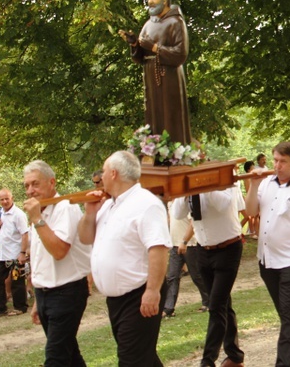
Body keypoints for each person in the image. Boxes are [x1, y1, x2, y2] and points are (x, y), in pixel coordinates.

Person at [78, 151, 171, 366]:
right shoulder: (108, 205)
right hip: (116, 300)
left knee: (131, 359)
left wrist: (152, 290)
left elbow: (158, 248)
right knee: (141, 357)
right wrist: (90, 213)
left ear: (113, 174)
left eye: (103, 171)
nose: (100, 177)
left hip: (139, 294)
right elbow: (85, 237)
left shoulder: (146, 204)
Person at [245, 142, 290, 367]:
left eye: (283, 161)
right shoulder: (266, 183)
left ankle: (283, 363)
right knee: (288, 314)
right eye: (275, 160)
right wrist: (253, 184)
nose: (277, 166)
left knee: (288, 315)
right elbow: (250, 211)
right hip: (267, 259)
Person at [22, 160, 92, 366]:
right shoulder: (40, 212)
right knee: (69, 356)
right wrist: (38, 298)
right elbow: (39, 257)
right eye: (26, 186)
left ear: (51, 183)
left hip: (67, 292)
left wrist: (36, 220)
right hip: (46, 293)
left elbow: (59, 251)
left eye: (35, 184)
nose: (30, 191)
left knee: (55, 358)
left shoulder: (65, 208)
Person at [171, 183, 246, 367]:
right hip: (203, 250)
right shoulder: (188, 189)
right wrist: (185, 189)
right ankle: (235, 355)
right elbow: (178, 213)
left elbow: (224, 205)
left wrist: (204, 185)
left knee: (216, 305)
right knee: (223, 304)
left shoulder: (225, 181)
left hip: (228, 248)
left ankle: (207, 361)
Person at [121, 0, 192, 145]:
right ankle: (155, 149)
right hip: (150, 76)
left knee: (169, 114)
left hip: (169, 77)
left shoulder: (175, 22)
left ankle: (175, 151)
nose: (150, 2)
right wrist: (134, 45)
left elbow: (181, 54)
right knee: (154, 115)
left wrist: (154, 47)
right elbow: (140, 58)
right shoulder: (148, 24)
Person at [0, 188, 29, 318]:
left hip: (15, 253)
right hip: (1, 253)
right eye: (2, 199)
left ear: (12, 198)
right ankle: (0, 308)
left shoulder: (19, 214)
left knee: (17, 281)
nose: (4, 201)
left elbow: (25, 234)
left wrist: (22, 252)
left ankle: (20, 307)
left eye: (6, 199)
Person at [161, 207, 209, 318]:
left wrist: (185, 241)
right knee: (172, 276)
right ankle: (168, 308)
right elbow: (170, 221)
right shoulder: (170, 203)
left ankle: (209, 300)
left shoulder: (185, 203)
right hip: (175, 245)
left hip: (190, 245)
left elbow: (193, 223)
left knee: (196, 275)